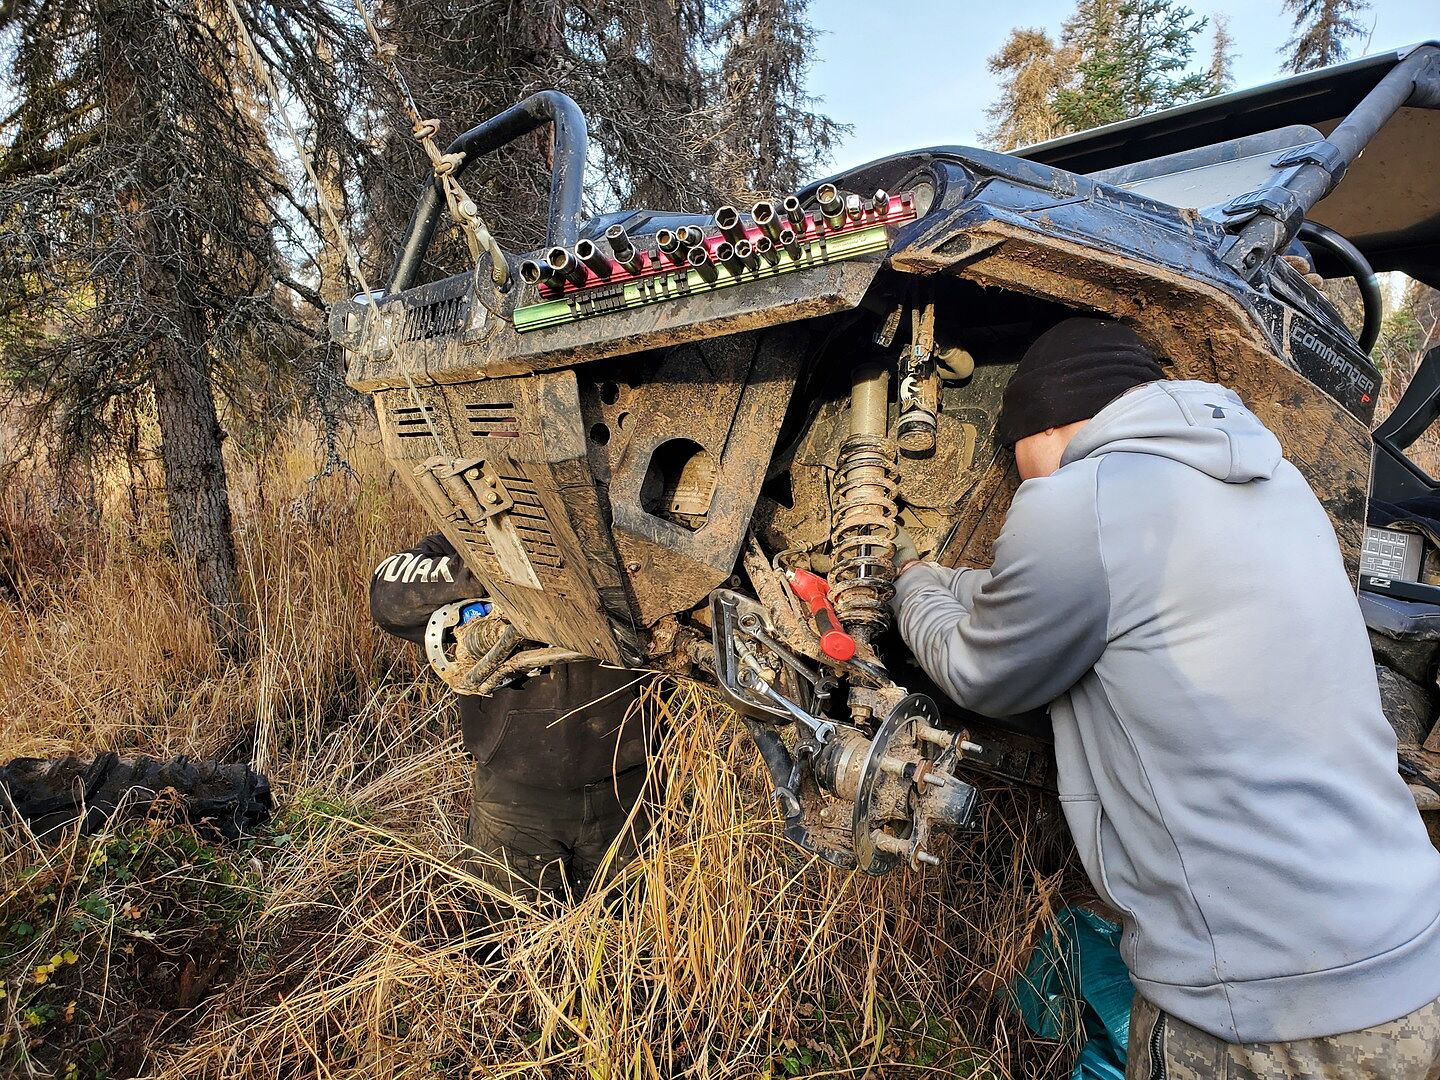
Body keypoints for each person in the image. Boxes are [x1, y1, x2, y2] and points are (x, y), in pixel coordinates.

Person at [890, 317, 1440, 1079]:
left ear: (1041, 422)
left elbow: (983, 671)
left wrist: (912, 582)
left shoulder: (1077, 499)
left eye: (1011, 454)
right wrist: (960, 585)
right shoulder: (1277, 485)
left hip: (1267, 1014)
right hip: (1415, 956)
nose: (1015, 478)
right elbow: (1099, 598)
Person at [370, 532, 656, 900]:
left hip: (628, 791)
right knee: (510, 938)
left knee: (625, 935)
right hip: (513, 799)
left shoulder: (638, 531)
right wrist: (500, 568)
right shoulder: (477, 529)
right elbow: (388, 595)